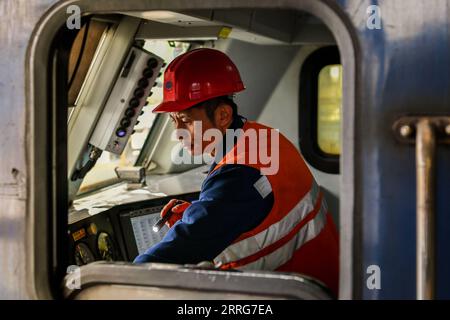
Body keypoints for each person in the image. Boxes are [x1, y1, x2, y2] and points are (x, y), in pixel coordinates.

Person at [134, 48, 339, 296]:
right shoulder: (260, 137)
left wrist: (119, 280)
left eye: (185, 120)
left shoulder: (240, 176)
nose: (177, 133)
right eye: (173, 121)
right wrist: (200, 214)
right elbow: (245, 209)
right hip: (321, 283)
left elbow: (181, 248)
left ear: (223, 115)